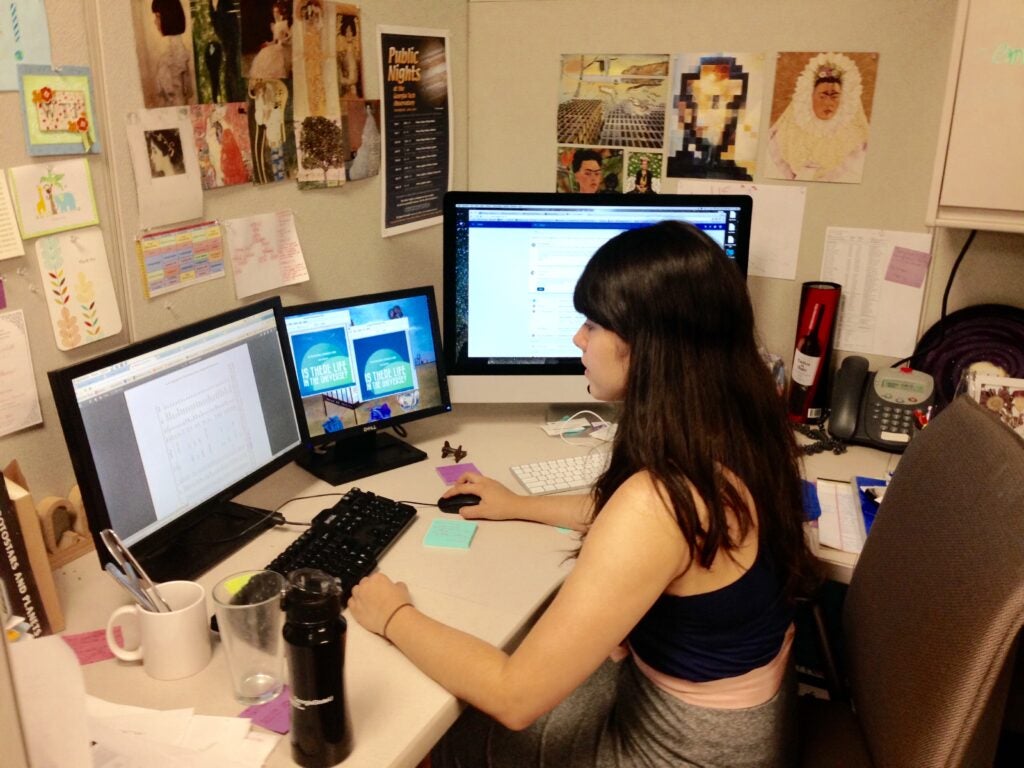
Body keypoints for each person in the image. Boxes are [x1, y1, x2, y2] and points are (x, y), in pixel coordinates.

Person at [349, 220, 822, 767]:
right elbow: (648, 534)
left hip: (676, 753)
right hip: (744, 729)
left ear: (648, 347)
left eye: (593, 324)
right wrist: (517, 505)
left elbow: (514, 697)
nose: (578, 339)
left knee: (446, 723)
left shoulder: (657, 503)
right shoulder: (742, 431)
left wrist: (392, 614)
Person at [767, 52, 871, 183]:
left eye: (834, 96)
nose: (828, 103)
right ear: (810, 97)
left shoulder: (855, 142)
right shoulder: (785, 135)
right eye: (822, 96)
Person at [150, 0, 194, 106]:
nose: (155, 22)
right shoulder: (170, 53)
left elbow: (180, 99)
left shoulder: (177, 56)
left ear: (168, 17)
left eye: (158, 16)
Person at [249, 0, 292, 80]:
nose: (275, 14)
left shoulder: (284, 24)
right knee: (264, 53)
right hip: (276, 45)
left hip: (282, 47)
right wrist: (268, 43)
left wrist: (284, 40)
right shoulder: (275, 25)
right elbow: (275, 40)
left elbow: (289, 36)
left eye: (276, 12)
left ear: (281, 13)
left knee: (272, 56)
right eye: (274, 12)